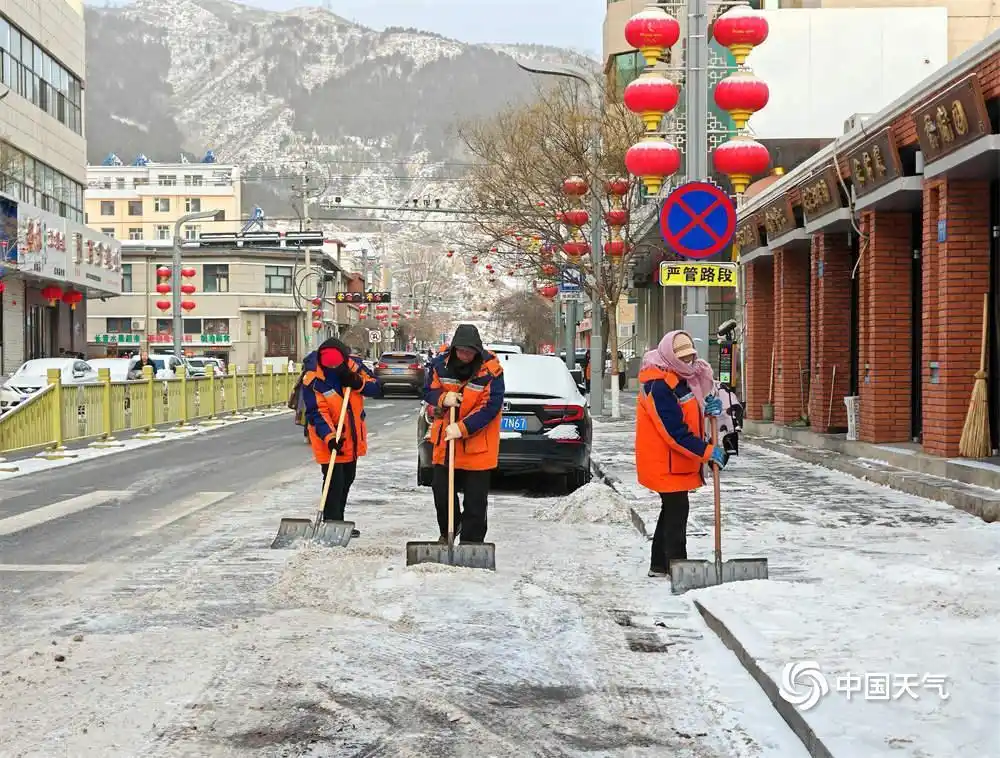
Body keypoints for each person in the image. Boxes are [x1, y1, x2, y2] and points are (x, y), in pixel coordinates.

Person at [635, 330, 728, 578]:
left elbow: (690, 413)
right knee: (677, 512)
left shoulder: (677, 378)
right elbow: (673, 432)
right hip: (664, 462)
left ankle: (660, 566)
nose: (688, 363)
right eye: (683, 358)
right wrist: (707, 451)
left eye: (690, 358)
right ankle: (679, 569)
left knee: (671, 510)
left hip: (676, 461)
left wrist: (707, 409)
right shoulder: (658, 385)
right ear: (668, 356)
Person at [423, 324, 504, 544]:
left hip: (477, 444)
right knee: (441, 491)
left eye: (469, 352)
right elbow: (428, 391)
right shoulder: (440, 365)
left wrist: (462, 427)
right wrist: (442, 399)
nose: (465, 356)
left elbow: (491, 406)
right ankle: (449, 529)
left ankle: (472, 542)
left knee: (475, 500)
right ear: (454, 349)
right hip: (445, 442)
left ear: (477, 350)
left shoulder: (491, 370)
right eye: (461, 351)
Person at [302, 337, 381, 536]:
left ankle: (339, 521)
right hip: (327, 438)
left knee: (347, 478)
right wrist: (329, 437)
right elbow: (316, 412)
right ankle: (332, 522)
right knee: (333, 480)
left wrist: (357, 382)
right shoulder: (313, 378)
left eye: (337, 364)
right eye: (329, 365)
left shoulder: (354, 366)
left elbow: (377, 387)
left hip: (352, 436)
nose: (333, 368)